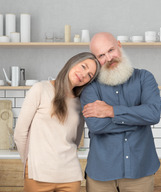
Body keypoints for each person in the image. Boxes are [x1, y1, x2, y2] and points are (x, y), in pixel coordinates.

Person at [80, 32, 161, 192]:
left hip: (140, 172)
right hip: (101, 174)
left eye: (111, 50)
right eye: (101, 55)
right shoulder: (90, 86)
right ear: (96, 59)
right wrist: (138, 121)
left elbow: (152, 113)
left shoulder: (144, 77)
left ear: (119, 45)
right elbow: (96, 126)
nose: (109, 58)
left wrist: (111, 111)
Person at [14, 52, 100, 192]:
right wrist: (30, 163)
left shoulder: (80, 102)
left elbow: (76, 141)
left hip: (70, 176)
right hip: (38, 175)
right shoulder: (40, 89)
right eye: (83, 66)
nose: (84, 75)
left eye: (90, 75)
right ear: (72, 62)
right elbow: (20, 133)